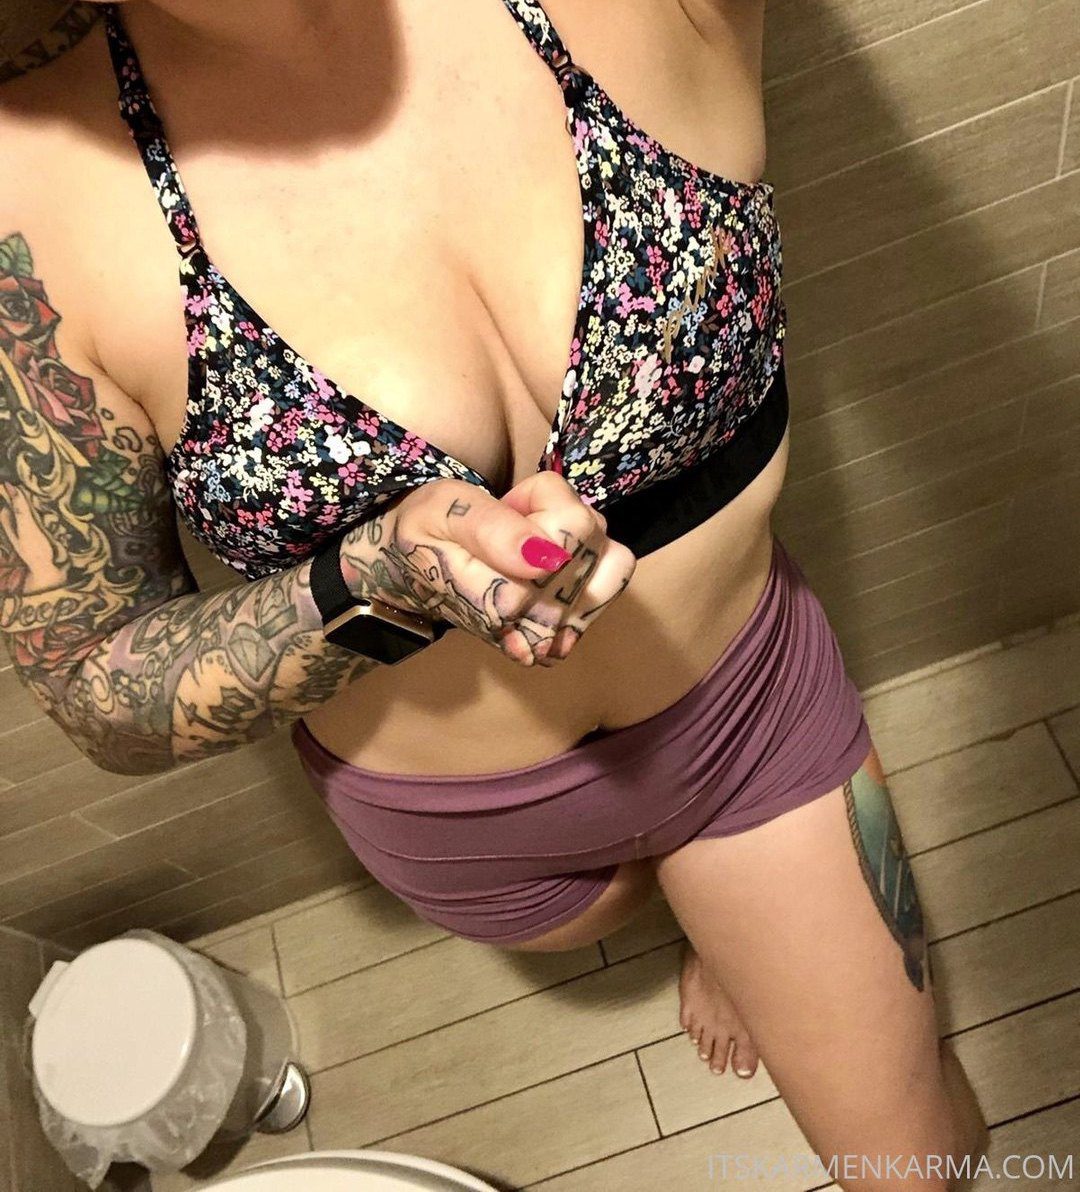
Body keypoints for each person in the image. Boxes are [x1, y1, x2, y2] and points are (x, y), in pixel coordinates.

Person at [0, 1, 988, 1185]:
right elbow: (92, 681)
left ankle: (738, 930)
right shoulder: (29, 187)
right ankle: (714, 927)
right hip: (463, 827)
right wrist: (376, 576)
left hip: (743, 723)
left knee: (913, 1167)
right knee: (616, 912)